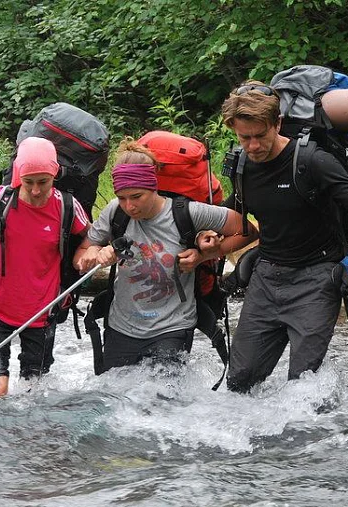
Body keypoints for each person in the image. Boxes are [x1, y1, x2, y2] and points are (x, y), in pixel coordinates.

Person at [218, 82, 348, 392]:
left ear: (277, 124)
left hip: (317, 281)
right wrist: (199, 232)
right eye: (244, 138)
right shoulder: (242, 166)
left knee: (302, 387)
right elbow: (236, 207)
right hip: (266, 279)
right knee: (240, 383)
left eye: (259, 136)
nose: (252, 146)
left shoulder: (312, 161)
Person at [73, 138, 257, 373]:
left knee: (162, 402)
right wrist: (93, 253)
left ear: (153, 187)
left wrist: (202, 256)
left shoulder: (187, 212)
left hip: (173, 327)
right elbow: (79, 257)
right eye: (122, 197)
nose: (129, 206)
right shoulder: (114, 212)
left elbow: (247, 231)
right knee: (117, 400)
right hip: (122, 327)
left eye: (137, 196)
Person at [0, 136, 90, 397]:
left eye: (43, 182)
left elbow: (92, 235)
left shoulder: (66, 206)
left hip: (42, 314)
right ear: (18, 175)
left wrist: (86, 254)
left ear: (54, 175)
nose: (35, 190)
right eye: (28, 182)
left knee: (33, 395)